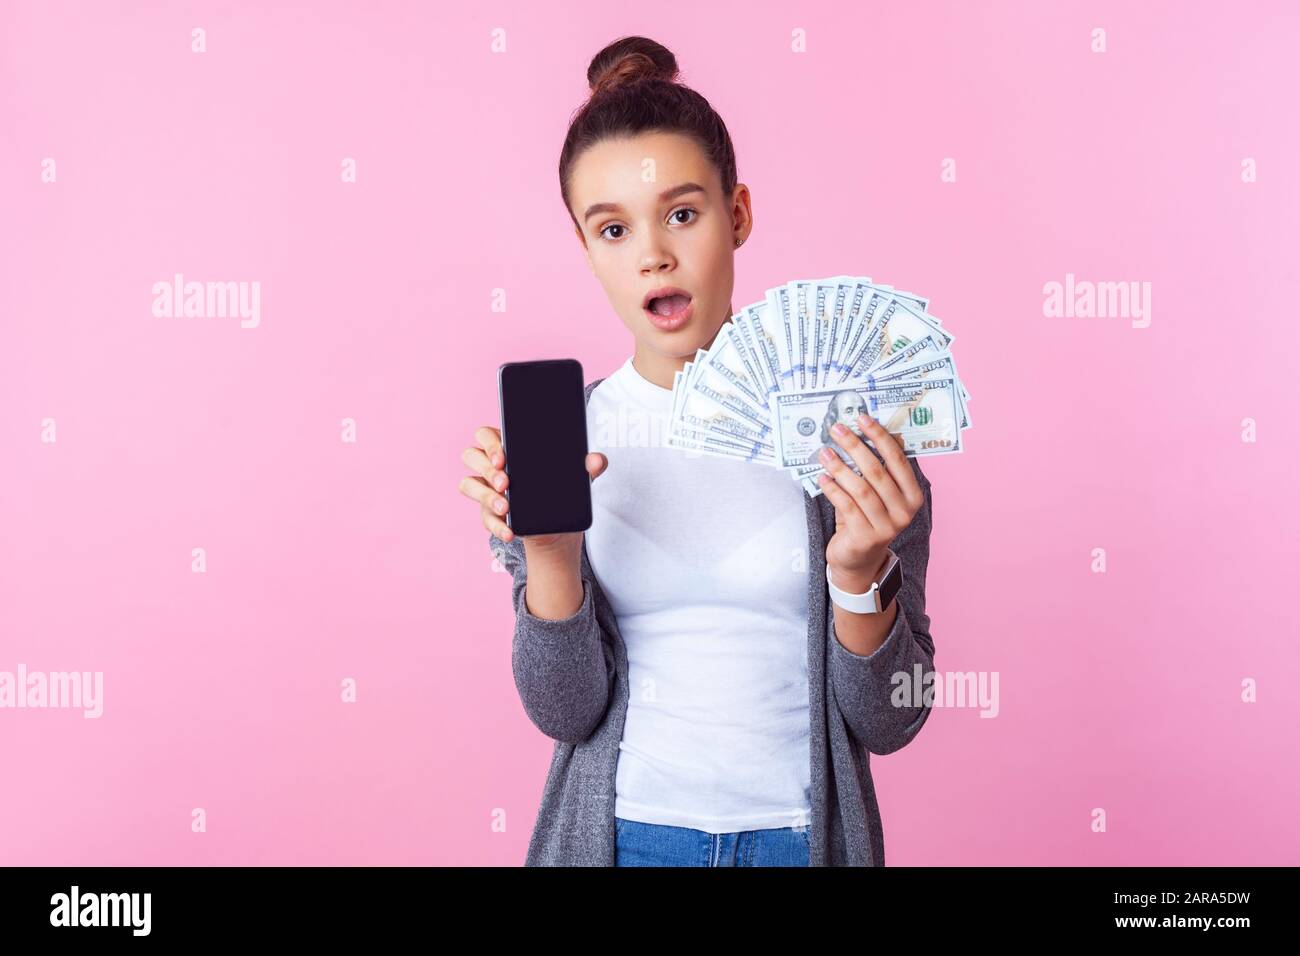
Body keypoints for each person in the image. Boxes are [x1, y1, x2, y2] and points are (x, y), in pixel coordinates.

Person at [458, 36, 937, 867]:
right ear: (586, 248)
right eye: (612, 228)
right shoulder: (554, 451)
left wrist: (859, 577)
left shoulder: (849, 445)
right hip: (624, 843)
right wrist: (550, 556)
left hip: (799, 843)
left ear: (738, 214)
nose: (653, 252)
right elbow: (565, 712)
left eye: (683, 213)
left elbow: (896, 716)